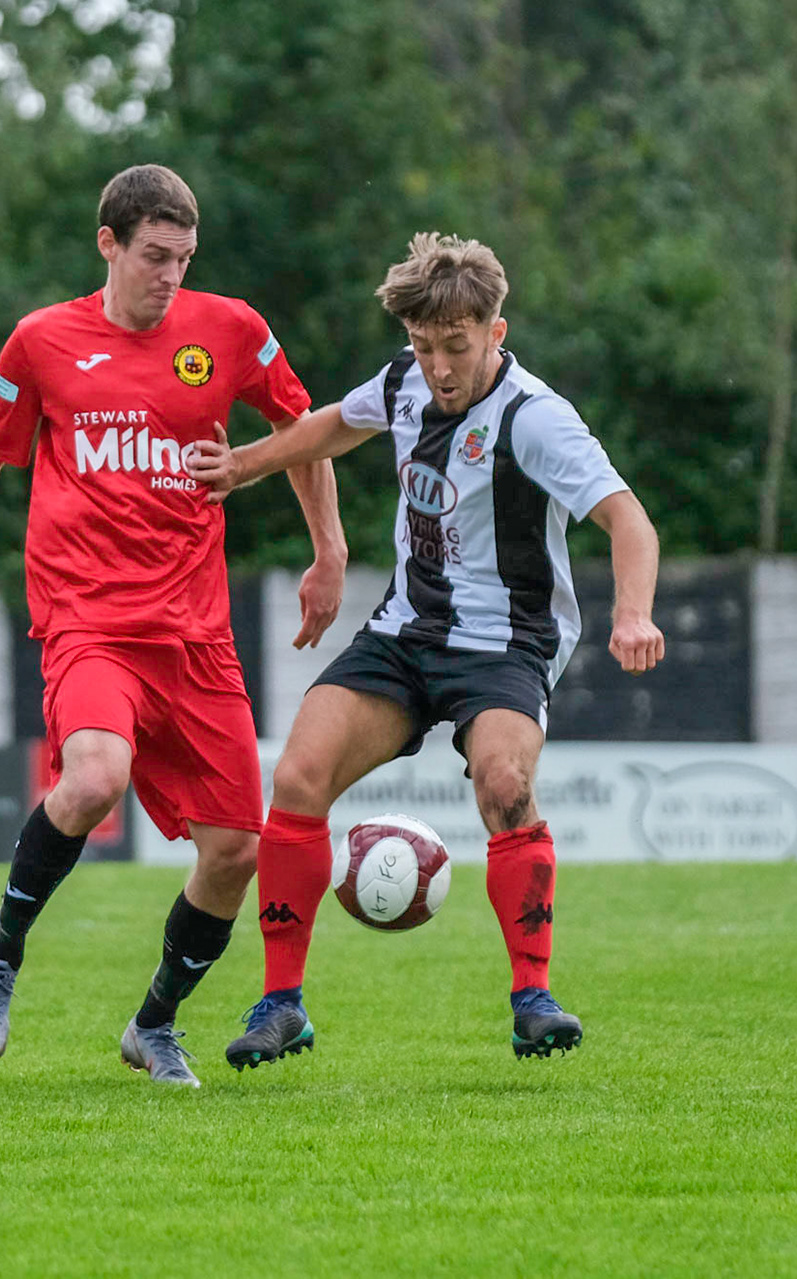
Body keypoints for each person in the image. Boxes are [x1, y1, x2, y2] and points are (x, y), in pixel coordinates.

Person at [0, 164, 346, 1088]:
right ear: (108, 244)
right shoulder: (43, 341)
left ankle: (153, 1024)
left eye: (184, 258)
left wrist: (329, 551)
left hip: (196, 636)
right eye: (154, 255)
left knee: (236, 850)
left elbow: (305, 431)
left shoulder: (231, 330)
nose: (171, 275)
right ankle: (0, 954)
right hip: (89, 621)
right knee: (94, 778)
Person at [184, 231, 665, 1069]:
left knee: (505, 784)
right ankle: (281, 1003)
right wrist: (243, 465)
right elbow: (334, 426)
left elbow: (628, 518)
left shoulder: (534, 418)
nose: (439, 367)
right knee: (296, 777)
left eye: (456, 346)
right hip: (406, 632)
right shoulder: (403, 380)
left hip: (505, 643)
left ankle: (532, 998)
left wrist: (633, 614)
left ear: (495, 332)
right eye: (423, 345)